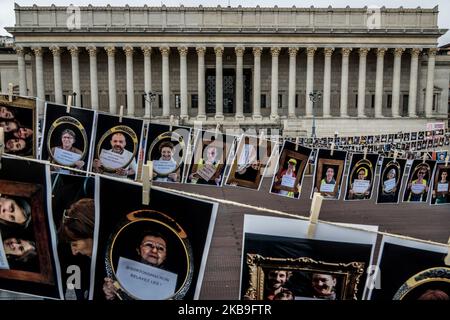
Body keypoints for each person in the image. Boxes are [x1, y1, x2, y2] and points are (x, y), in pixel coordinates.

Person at [102, 230, 169, 300]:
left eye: (161, 248)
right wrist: (110, 293)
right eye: (149, 245)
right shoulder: (120, 273)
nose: (154, 250)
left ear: (165, 256)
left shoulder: (173, 286)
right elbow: (113, 293)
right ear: (138, 250)